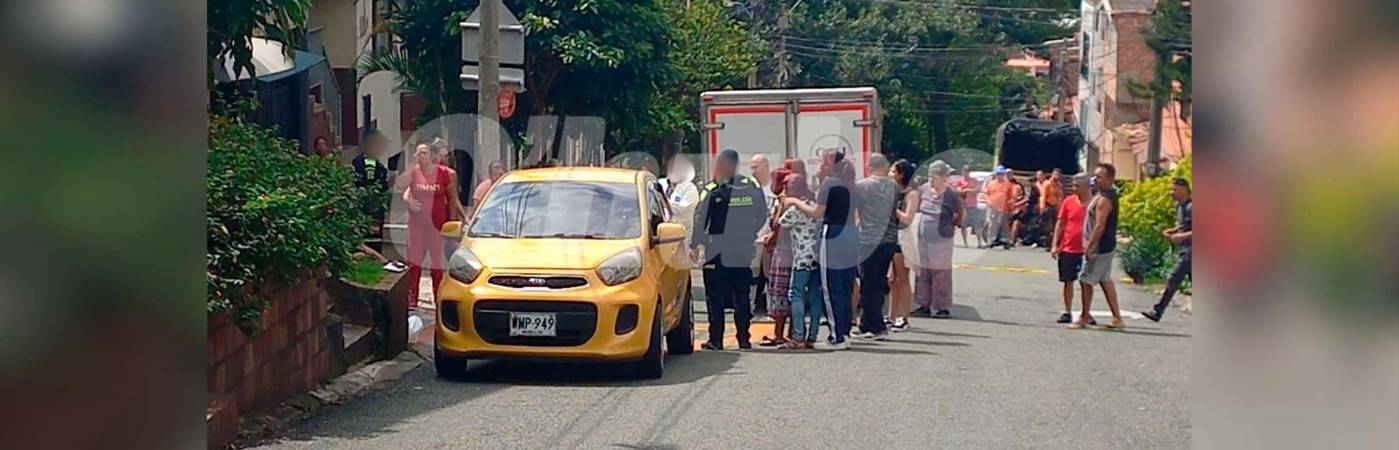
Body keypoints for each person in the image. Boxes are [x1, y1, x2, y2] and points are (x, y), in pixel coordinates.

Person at [691, 149, 768, 350]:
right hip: (743, 248)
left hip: (716, 250)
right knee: (742, 295)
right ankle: (744, 339)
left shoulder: (712, 188)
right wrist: (750, 232)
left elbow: (700, 219)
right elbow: (762, 214)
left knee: (715, 296)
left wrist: (695, 244)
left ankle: (716, 340)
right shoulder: (751, 187)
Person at [784, 150, 858, 350]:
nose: (819, 168)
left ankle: (836, 337)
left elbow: (817, 212)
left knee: (831, 285)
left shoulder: (829, 184)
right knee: (845, 285)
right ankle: (844, 331)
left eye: (822, 164)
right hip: (851, 232)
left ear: (829, 166)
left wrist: (795, 202)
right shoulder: (850, 184)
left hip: (833, 233)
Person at [398, 142, 467, 310]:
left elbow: (452, 198)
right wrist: (407, 200)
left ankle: (438, 296)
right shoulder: (414, 172)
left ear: (432, 156)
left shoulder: (444, 173)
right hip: (417, 224)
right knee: (414, 262)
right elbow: (403, 186)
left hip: (437, 224)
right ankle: (412, 296)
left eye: (424, 153)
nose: (420, 156)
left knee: (437, 262)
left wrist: (457, 221)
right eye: (418, 153)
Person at [1069, 164, 1125, 330]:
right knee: (1104, 280)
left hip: (1100, 247)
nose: (1095, 179)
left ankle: (1085, 316)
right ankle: (1117, 318)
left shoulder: (1105, 199)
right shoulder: (1101, 195)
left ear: (1110, 179)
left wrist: (1091, 246)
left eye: (1100, 176)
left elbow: (1099, 225)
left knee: (1085, 279)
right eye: (1095, 175)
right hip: (1104, 246)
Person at [852, 154, 898, 341]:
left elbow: (856, 208)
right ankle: (868, 323)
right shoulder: (893, 186)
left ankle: (874, 326)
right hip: (889, 238)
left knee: (868, 283)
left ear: (869, 166)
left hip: (868, 239)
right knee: (879, 281)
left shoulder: (862, 186)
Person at [911, 161, 963, 318]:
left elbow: (961, 214)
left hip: (942, 239)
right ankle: (923, 304)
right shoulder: (924, 190)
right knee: (923, 271)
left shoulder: (951, 194)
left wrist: (953, 224)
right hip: (924, 237)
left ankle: (942, 307)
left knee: (941, 273)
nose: (947, 177)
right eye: (945, 174)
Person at [778, 173, 821, 350]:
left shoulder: (795, 209)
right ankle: (813, 335)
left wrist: (783, 203)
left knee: (796, 294)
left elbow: (780, 223)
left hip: (802, 257)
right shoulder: (813, 205)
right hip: (817, 255)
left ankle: (798, 336)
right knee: (815, 295)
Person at [1142, 177, 1193, 322]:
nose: (1171, 193)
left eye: (1175, 190)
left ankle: (1157, 311)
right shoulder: (1180, 206)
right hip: (1186, 249)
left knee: (1174, 278)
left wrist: (1181, 236)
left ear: (1184, 190)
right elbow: (1186, 225)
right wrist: (1174, 230)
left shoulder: (1191, 206)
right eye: (1171, 189)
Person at [759, 168, 794, 346]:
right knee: (792, 293)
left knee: (780, 293)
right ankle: (793, 333)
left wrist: (769, 239)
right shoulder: (795, 199)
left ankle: (779, 334)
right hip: (790, 251)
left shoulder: (784, 201)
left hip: (783, 253)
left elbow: (779, 226)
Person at [1051, 174, 1092, 324]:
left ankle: (1085, 312)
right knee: (1068, 280)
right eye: (1074, 185)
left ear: (1087, 186)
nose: (1074, 188)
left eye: (1078, 186)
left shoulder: (1094, 203)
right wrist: (1055, 244)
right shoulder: (1068, 201)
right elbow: (1060, 223)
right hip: (1068, 247)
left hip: (1086, 248)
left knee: (1086, 282)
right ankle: (1067, 311)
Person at [888, 159, 920, 331]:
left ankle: (904, 317)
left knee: (902, 278)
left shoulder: (911, 194)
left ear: (901, 174)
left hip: (902, 237)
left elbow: (908, 218)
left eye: (893, 171)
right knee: (892, 280)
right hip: (888, 236)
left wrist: (893, 209)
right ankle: (891, 316)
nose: (890, 174)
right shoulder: (890, 191)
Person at [749, 154, 776, 321]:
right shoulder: (751, 189)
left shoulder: (774, 189)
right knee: (751, 276)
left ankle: (772, 309)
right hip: (753, 240)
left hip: (770, 240)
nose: (753, 171)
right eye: (751, 167)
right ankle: (749, 308)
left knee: (770, 276)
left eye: (755, 167)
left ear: (765, 166)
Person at [983, 166, 1016, 249]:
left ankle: (1006, 241)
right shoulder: (991, 183)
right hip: (993, 207)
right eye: (998, 174)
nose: (999, 176)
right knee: (992, 224)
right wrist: (989, 202)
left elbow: (1010, 195)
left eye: (1001, 174)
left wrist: (1010, 204)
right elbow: (986, 194)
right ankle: (991, 240)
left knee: (1004, 224)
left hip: (1004, 207)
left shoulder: (1007, 184)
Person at [952, 165, 983, 248]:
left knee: (977, 225)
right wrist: (963, 190)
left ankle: (979, 242)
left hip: (973, 205)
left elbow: (977, 189)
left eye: (967, 171)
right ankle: (965, 242)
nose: (966, 173)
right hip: (963, 206)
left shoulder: (974, 180)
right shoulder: (959, 181)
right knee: (963, 225)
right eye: (965, 171)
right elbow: (958, 190)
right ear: (962, 171)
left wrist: (968, 190)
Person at [1039, 169, 1064, 250]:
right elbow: (1043, 196)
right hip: (1048, 206)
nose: (1057, 176)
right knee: (1048, 226)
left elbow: (1061, 196)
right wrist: (1042, 208)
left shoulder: (1059, 185)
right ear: (1052, 174)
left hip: (1057, 207)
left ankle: (1055, 243)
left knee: (1056, 226)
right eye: (1055, 174)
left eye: (1058, 175)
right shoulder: (1047, 184)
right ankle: (1047, 244)